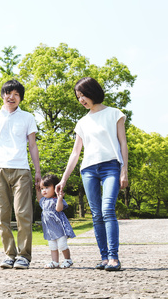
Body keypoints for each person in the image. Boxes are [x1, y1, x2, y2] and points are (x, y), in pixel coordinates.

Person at [55, 77, 128, 272]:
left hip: (111, 166)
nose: (81, 100)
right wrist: (63, 179)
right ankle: (104, 257)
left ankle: (114, 257)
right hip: (88, 170)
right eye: (78, 97)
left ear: (93, 92)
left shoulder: (115, 114)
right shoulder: (82, 122)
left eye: (83, 95)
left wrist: (124, 169)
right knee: (96, 215)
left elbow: (123, 143)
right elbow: (75, 152)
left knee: (107, 210)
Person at [0, 79, 41, 269]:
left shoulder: (27, 117)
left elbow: (32, 145)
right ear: (3, 95)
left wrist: (37, 172)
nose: (12, 97)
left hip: (22, 170)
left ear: (20, 99)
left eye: (17, 94)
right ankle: (9, 254)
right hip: (0, 169)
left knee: (23, 213)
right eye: (9, 93)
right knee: (3, 214)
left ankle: (24, 255)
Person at [36, 174, 75, 269]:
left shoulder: (56, 199)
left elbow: (58, 209)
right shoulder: (43, 201)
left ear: (55, 188)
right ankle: (55, 262)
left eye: (46, 187)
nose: (43, 190)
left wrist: (60, 197)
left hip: (59, 228)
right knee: (52, 246)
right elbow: (38, 198)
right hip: (49, 229)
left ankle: (68, 260)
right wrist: (37, 189)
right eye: (42, 188)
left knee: (62, 245)